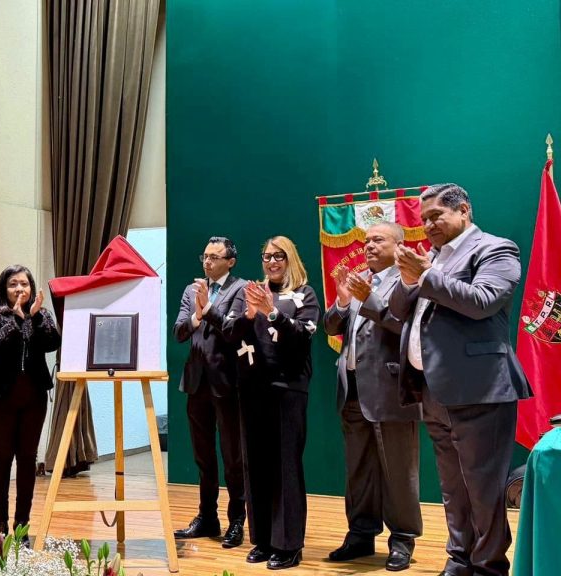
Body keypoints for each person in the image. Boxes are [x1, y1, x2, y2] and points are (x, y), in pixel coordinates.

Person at [390, 184, 531, 576]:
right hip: (433, 389)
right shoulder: (431, 257)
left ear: (464, 210)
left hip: (481, 389)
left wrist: (426, 274)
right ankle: (460, 558)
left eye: (436, 216)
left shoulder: (496, 249)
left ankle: (488, 567)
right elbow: (399, 311)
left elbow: (482, 301)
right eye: (424, 220)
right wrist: (408, 279)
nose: (428, 225)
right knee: (453, 487)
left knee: (483, 490)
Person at [323, 222, 422, 572]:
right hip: (351, 389)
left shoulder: (408, 280)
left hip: (391, 389)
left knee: (398, 471)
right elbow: (331, 326)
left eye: (378, 240)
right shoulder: (359, 279)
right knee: (358, 470)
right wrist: (342, 301)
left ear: (399, 245)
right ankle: (361, 534)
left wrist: (368, 298)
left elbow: (403, 324)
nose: (368, 246)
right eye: (366, 241)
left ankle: (402, 539)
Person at [224, 235, 320, 570]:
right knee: (256, 466)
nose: (272, 262)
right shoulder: (248, 292)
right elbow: (229, 333)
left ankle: (288, 544)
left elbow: (303, 336)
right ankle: (264, 539)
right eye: (267, 256)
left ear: (290, 259)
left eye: (279, 256)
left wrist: (273, 312)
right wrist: (250, 314)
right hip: (252, 389)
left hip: (287, 389)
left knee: (285, 467)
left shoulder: (304, 294)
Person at [172, 236, 247, 548]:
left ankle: (237, 520)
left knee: (233, 457)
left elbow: (234, 331)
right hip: (196, 382)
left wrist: (209, 307)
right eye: (205, 256)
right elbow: (179, 331)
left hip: (226, 383)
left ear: (230, 261)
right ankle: (207, 517)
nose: (207, 262)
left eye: (214, 257)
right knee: (203, 457)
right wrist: (196, 314)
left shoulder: (241, 289)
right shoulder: (192, 290)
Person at [0, 265, 60, 539]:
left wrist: (34, 318)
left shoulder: (41, 315)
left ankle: (22, 526)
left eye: (24, 284)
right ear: (4, 288)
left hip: (34, 398)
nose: (19, 289)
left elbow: (53, 343)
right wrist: (15, 319)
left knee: (27, 460)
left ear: (31, 287)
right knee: (1, 458)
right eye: (13, 284)